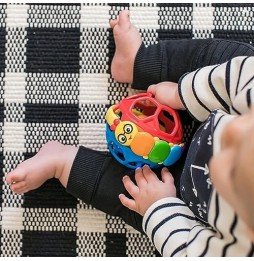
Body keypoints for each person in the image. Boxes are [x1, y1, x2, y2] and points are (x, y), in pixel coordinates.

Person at [5, 10, 254, 256]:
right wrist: (182, 94)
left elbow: (189, 251)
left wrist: (159, 206)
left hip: (183, 196)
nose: (232, 136)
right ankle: (139, 62)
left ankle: (62, 163)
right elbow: (236, 80)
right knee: (235, 60)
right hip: (221, 103)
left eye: (232, 171)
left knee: (136, 203)